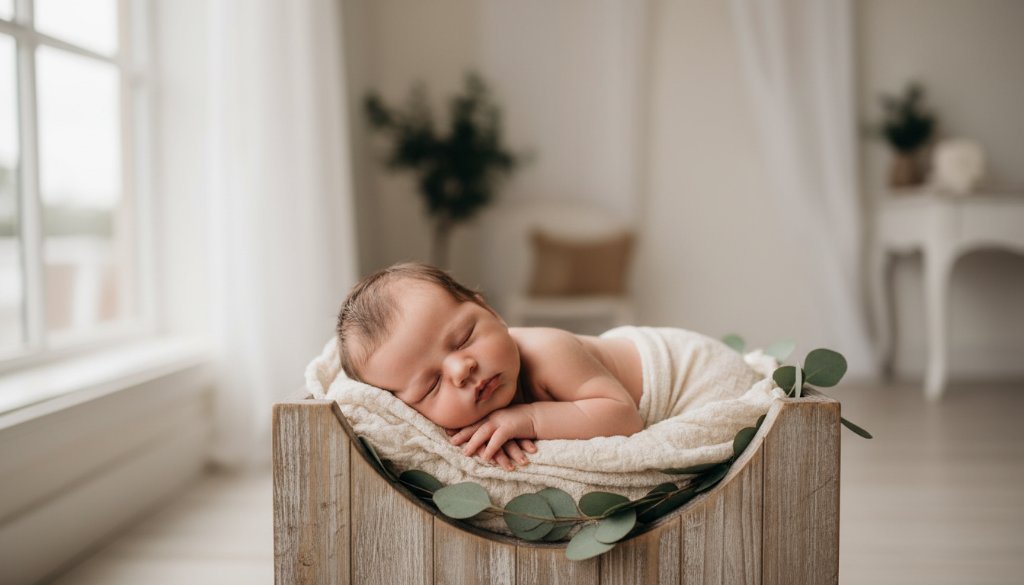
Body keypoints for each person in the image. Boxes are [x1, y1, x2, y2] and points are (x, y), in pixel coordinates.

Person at [336, 262, 644, 472]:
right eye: (431, 385)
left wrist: (529, 419)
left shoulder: (547, 351)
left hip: (664, 364)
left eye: (463, 339)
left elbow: (624, 416)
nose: (461, 370)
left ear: (490, 311)